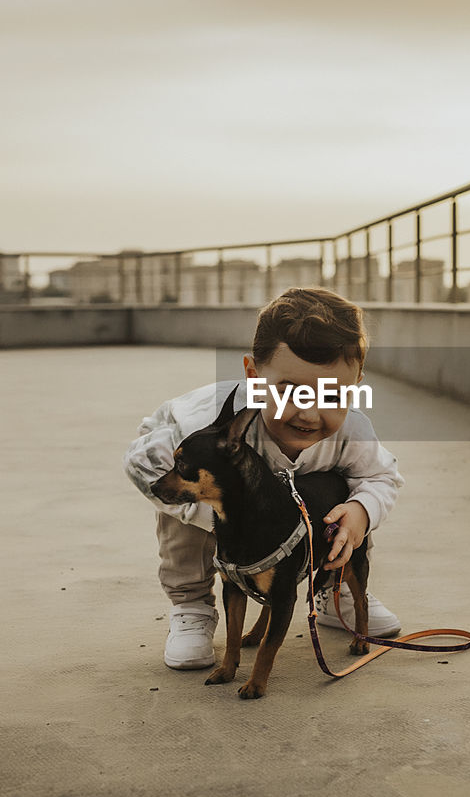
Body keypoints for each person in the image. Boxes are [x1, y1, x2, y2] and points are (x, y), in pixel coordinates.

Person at [122, 287, 404, 669]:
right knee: (183, 505)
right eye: (291, 392)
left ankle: (335, 596)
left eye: (334, 397)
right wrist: (225, 519)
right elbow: (142, 465)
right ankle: (192, 606)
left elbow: (381, 477)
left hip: (291, 511)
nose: (310, 414)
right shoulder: (201, 424)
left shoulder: (351, 430)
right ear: (254, 377)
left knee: (347, 504)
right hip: (216, 500)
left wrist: (360, 512)